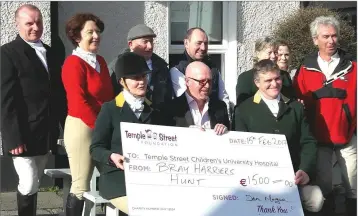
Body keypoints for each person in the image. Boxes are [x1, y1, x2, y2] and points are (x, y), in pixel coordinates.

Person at [234, 59, 324, 215]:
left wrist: (305, 170)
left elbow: (308, 142)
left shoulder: (295, 107)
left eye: (277, 79)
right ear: (257, 83)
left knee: (316, 199)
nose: (274, 84)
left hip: (293, 178)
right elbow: (240, 149)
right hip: (258, 181)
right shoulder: (243, 110)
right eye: (268, 80)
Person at [0, 4, 66, 216]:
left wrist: (63, 128)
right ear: (17, 24)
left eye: (38, 22)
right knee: (28, 183)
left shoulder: (51, 52)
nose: (35, 27)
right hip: (23, 134)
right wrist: (13, 138)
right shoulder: (7, 53)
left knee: (35, 181)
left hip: (45, 132)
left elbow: (57, 94)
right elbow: (5, 100)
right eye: (29, 23)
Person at [90, 52, 172, 215]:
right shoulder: (110, 109)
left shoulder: (154, 110)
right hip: (118, 181)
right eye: (135, 78)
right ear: (122, 81)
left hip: (149, 179)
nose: (142, 82)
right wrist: (111, 157)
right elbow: (96, 148)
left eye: (144, 77)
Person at [293, 16, 357, 216]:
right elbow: (298, 102)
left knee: (353, 189)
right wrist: (316, 96)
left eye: (334, 36)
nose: (331, 41)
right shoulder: (304, 69)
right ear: (315, 40)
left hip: (347, 137)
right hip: (319, 139)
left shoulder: (353, 68)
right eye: (326, 36)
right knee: (325, 190)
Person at [62, 13, 114, 215]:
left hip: (101, 126)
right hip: (81, 127)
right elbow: (79, 103)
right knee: (81, 185)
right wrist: (102, 127)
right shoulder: (73, 63)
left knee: (114, 175)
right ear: (76, 36)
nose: (96, 36)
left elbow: (108, 97)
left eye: (98, 31)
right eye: (90, 32)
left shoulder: (100, 60)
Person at [169, 27, 231, 120]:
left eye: (205, 43)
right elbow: (186, 100)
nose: (203, 48)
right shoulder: (177, 69)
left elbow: (223, 97)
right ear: (186, 43)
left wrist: (225, 121)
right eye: (198, 43)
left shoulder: (213, 68)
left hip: (214, 123)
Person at [108, 24, 173, 111]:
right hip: (127, 118)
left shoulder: (161, 66)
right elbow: (111, 97)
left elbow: (167, 97)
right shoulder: (116, 67)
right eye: (145, 42)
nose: (150, 46)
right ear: (131, 44)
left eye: (151, 41)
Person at [170, 61, 230, 134]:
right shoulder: (172, 109)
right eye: (202, 81)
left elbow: (229, 138)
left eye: (209, 81)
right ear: (187, 81)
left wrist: (226, 132)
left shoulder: (220, 107)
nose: (207, 86)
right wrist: (186, 132)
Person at [235, 36, 294, 106]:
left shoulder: (284, 75)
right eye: (269, 52)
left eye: (275, 52)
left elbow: (291, 100)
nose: (273, 56)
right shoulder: (246, 77)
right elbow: (242, 106)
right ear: (257, 53)